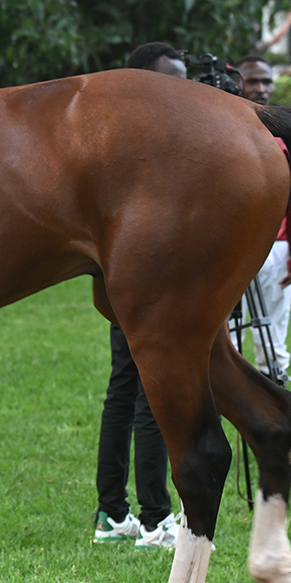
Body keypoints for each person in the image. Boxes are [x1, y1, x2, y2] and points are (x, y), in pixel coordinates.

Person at [92, 42, 183, 551]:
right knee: (147, 391)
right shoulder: (145, 142)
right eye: (171, 80)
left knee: (124, 388)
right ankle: (154, 517)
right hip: (143, 278)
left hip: (120, 275)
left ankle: (112, 512)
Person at [232, 55, 291, 382]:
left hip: (275, 249)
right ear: (237, 82)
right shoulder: (219, 127)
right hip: (231, 250)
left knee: (273, 343)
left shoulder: (285, 133)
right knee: (228, 342)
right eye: (253, 81)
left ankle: (274, 407)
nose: (261, 89)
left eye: (267, 81)